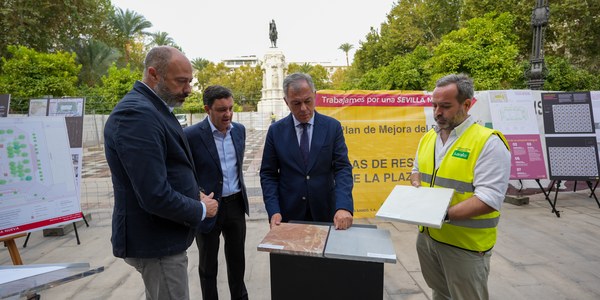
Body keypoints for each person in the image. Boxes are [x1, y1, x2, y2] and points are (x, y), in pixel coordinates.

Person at [104, 46, 219, 300]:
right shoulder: (137, 114)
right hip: (156, 243)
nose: (188, 89)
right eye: (181, 81)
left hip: (162, 240)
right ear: (154, 74)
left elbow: (167, 169)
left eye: (189, 81)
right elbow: (154, 193)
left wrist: (194, 194)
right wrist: (201, 210)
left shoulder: (153, 108)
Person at [409, 74, 511, 300]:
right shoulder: (428, 138)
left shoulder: (488, 143)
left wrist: (440, 215)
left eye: (445, 106)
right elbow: (416, 169)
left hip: (465, 247)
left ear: (467, 104)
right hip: (428, 239)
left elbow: (489, 199)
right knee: (441, 294)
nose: (437, 112)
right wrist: (415, 181)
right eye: (434, 105)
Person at [260, 72, 354, 230]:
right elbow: (268, 174)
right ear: (286, 102)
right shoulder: (276, 131)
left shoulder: (332, 127)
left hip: (326, 212)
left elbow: (342, 168)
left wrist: (343, 206)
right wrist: (274, 210)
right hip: (288, 214)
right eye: (296, 103)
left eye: (308, 101)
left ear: (315, 96)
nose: (303, 109)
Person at [184, 85, 249, 300]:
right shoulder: (191, 135)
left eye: (230, 108)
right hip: (209, 207)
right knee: (208, 265)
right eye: (222, 109)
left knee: (237, 261)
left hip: (236, 205)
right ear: (207, 109)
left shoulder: (239, 130)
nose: (228, 114)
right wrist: (197, 196)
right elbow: (184, 173)